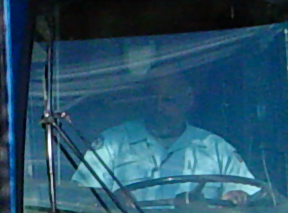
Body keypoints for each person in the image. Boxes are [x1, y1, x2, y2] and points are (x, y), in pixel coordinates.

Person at [73, 72, 256, 203]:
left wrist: (235, 196)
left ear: (188, 100)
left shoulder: (216, 148)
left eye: (168, 100)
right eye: (154, 100)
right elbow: (80, 194)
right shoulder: (113, 142)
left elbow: (250, 193)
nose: (159, 108)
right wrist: (113, 199)